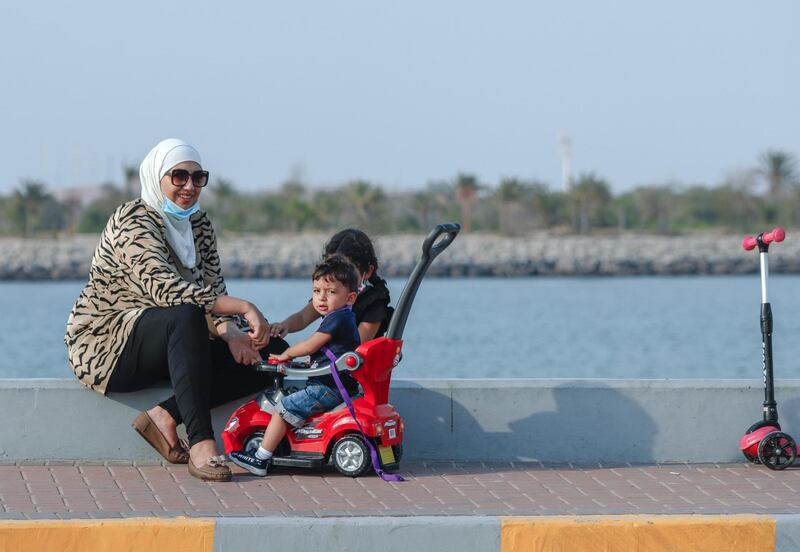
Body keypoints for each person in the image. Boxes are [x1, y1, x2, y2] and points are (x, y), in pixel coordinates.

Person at [65, 138, 286, 482]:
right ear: (157, 177)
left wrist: (231, 332)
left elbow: (212, 290)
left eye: (198, 178)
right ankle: (201, 444)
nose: (189, 186)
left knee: (271, 351)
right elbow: (165, 290)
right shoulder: (132, 220)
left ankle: (165, 416)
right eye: (179, 176)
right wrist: (245, 307)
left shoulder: (199, 225)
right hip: (108, 345)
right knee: (184, 314)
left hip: (175, 339)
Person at [228, 254, 361, 476]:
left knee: (283, 409)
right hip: (337, 385)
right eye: (317, 291)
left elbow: (311, 344)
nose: (321, 298)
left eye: (331, 292)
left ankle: (260, 458)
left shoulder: (337, 318)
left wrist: (286, 353)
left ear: (350, 298)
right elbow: (327, 353)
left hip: (328, 388)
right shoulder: (343, 317)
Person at [269, 228, 393, 344]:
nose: (338, 275)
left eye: (346, 269)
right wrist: (285, 325)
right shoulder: (328, 295)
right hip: (330, 360)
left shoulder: (374, 303)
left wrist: (314, 350)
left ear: (368, 271)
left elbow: (356, 345)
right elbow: (302, 317)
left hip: (355, 363)